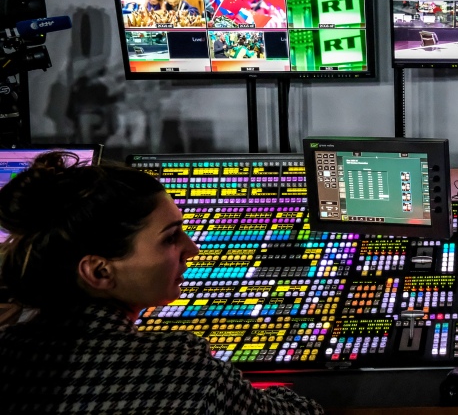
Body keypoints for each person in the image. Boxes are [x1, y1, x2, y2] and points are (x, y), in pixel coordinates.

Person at [0, 152, 323, 414]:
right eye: (170, 237)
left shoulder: (10, 351)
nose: (192, 249)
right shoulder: (180, 370)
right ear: (99, 272)